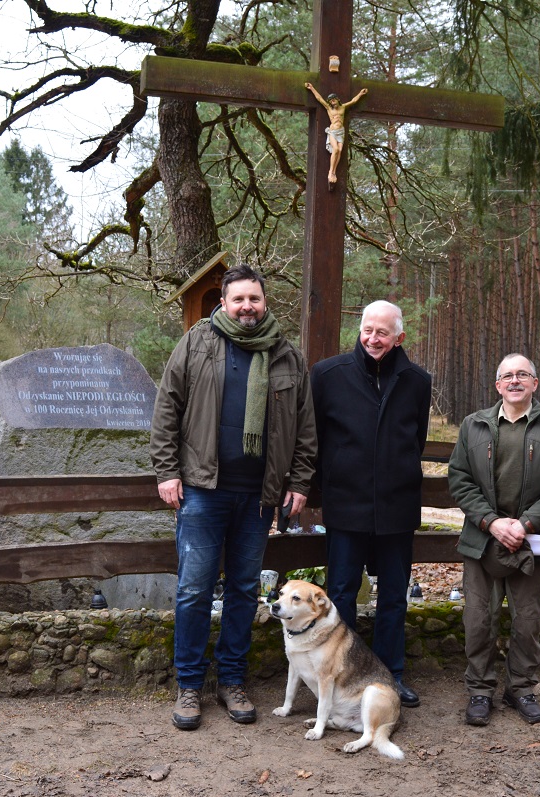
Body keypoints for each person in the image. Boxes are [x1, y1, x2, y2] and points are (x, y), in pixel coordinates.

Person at [150, 263, 317, 731]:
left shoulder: (287, 356)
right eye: (238, 299)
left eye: (255, 299)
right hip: (203, 490)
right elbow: (167, 408)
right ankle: (189, 685)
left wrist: (300, 481)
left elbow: (305, 427)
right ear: (224, 303)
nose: (247, 306)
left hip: (258, 496)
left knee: (245, 590)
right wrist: (167, 471)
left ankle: (232, 681)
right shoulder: (198, 343)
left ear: (266, 303)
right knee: (193, 590)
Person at [447, 354, 540, 726]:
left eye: (523, 374)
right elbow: (459, 479)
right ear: (497, 385)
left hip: (532, 541)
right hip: (482, 540)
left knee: (527, 621)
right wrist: (491, 522)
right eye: (507, 375)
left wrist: (525, 524)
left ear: (535, 384)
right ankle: (479, 690)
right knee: (478, 619)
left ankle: (520, 688)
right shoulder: (473, 425)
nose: (515, 380)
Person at [310, 300, 431, 708]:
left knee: (394, 595)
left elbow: (416, 440)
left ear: (399, 337)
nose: (373, 339)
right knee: (341, 594)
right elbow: (315, 439)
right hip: (346, 506)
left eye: (382, 332)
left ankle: (390, 675)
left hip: (397, 507)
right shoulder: (328, 375)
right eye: (367, 330)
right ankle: (342, 676)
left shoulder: (417, 381)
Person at [304, 82, 368, 187]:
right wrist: (311, 88)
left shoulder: (343, 107)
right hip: (333, 132)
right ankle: (330, 171)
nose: (332, 102)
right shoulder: (329, 109)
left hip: (341, 132)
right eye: (330, 101)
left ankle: (334, 171)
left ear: (337, 99)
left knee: (340, 151)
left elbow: (353, 101)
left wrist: (361, 94)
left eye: (333, 100)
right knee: (336, 150)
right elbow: (319, 99)